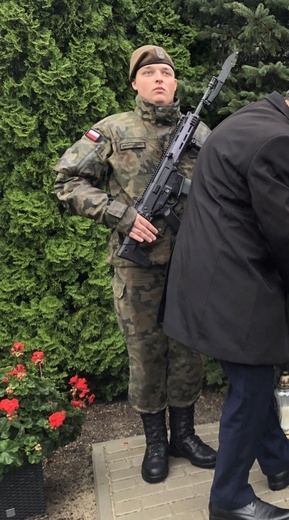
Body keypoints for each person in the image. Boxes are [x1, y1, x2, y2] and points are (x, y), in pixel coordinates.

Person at [161, 73, 289, 520]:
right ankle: (229, 498)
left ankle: (279, 462)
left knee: (255, 380)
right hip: (234, 284)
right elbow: (284, 233)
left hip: (211, 274)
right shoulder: (280, 143)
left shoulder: (250, 118)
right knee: (249, 391)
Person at [54, 45, 217, 484]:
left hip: (189, 261)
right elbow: (66, 180)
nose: (160, 79)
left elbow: (223, 188)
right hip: (138, 267)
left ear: (176, 82)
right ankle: (155, 444)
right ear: (135, 83)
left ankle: (184, 436)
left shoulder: (198, 131)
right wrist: (122, 216)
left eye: (167, 72)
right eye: (150, 73)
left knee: (188, 352)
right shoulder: (112, 129)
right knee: (146, 356)